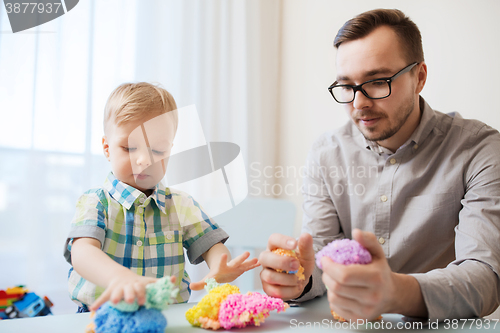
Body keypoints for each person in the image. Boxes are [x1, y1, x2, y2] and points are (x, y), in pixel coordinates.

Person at [259, 9, 500, 321]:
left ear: (420, 77)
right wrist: (298, 278)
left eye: (377, 81)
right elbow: (319, 262)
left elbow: (485, 278)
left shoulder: (479, 149)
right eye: (347, 86)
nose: (359, 103)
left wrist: (394, 292)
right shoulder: (326, 153)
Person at [63, 82, 259, 312]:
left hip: (168, 315)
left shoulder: (181, 205)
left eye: (158, 151)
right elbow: (82, 252)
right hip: (101, 315)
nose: (144, 160)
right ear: (107, 148)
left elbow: (212, 245)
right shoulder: (96, 202)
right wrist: (117, 277)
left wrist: (219, 265)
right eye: (129, 148)